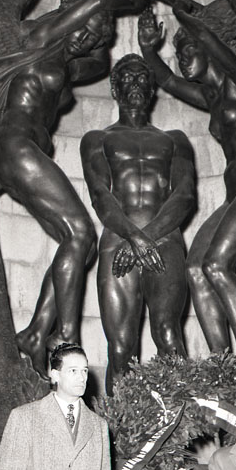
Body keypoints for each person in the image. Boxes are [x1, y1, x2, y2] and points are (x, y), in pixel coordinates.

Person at [0, 0, 150, 378]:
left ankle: (38, 331)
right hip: (15, 146)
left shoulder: (67, 64)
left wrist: (106, 32)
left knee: (80, 245)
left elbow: (99, 64)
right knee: (81, 234)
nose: (85, 40)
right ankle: (65, 337)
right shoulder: (34, 39)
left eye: (94, 37)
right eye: (83, 29)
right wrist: (127, 0)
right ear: (68, 16)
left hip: (27, 151)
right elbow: (98, 1)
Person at [138, 4, 236, 366]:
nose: (182, 59)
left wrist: (187, 17)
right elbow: (167, 81)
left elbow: (207, 36)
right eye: (179, 54)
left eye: (188, 50)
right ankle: (223, 368)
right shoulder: (212, 98)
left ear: (208, 48)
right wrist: (147, 49)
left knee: (217, 265)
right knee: (195, 269)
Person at [80, 53, 196, 393]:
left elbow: (185, 194)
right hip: (118, 241)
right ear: (115, 89)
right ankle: (118, 427)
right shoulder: (97, 138)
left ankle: (181, 422)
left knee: (169, 335)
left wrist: (145, 239)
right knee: (120, 347)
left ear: (152, 88)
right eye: (127, 78)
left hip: (166, 240)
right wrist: (134, 237)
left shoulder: (175, 139)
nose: (134, 83)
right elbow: (100, 195)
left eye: (142, 77)